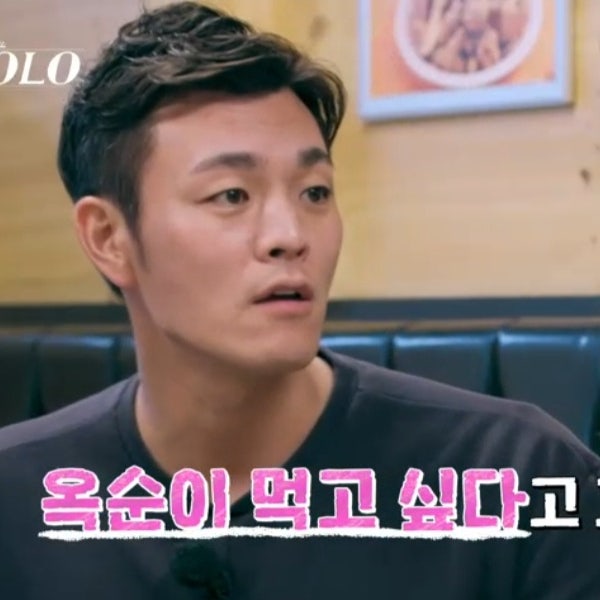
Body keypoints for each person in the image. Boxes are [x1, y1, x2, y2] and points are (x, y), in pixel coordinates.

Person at [0, 2, 599, 598]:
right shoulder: (19, 499)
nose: (290, 235)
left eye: (315, 192)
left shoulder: (517, 477)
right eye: (231, 195)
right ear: (109, 238)